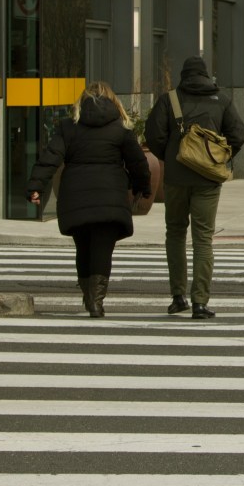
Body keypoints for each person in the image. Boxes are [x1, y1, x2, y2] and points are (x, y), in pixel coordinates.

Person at [26, 82, 151, 318]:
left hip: (76, 196)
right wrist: (142, 187)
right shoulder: (121, 128)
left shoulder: (68, 127)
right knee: (103, 248)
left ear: (80, 104)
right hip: (110, 195)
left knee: (82, 247)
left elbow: (50, 158)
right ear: (114, 102)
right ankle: (96, 301)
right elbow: (137, 163)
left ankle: (88, 297)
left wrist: (36, 186)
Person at [145, 56, 244, 319]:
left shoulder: (170, 100)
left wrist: (171, 156)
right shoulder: (221, 99)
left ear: (183, 75)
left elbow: (153, 135)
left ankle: (178, 297)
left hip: (177, 178)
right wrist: (218, 157)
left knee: (175, 233)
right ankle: (200, 301)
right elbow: (237, 134)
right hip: (208, 180)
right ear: (206, 75)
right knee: (203, 239)